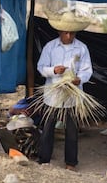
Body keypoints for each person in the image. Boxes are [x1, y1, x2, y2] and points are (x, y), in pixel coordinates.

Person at [37, 12, 93, 171]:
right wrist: (53, 70)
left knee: (72, 131)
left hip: (73, 95)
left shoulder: (82, 48)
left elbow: (87, 70)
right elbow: (41, 68)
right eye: (66, 32)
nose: (69, 36)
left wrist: (79, 79)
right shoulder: (50, 47)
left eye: (72, 33)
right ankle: (44, 160)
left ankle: (71, 163)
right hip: (52, 95)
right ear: (59, 31)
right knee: (48, 128)